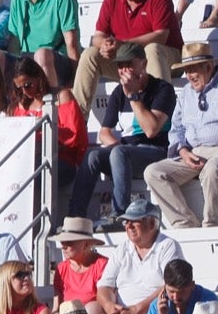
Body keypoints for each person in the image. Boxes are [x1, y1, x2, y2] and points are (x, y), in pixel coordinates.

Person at [144, 42, 218, 229]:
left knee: (214, 167)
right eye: (186, 70)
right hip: (196, 153)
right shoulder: (186, 93)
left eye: (193, 69)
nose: (189, 76)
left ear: (208, 67)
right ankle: (185, 224)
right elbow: (177, 127)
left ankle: (212, 225)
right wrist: (183, 150)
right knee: (154, 172)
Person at [69, 43, 175, 231]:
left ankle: (119, 214)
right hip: (127, 153)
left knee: (119, 153)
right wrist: (116, 150)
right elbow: (104, 132)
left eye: (128, 64)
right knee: (93, 156)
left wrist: (134, 96)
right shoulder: (119, 92)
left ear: (143, 63)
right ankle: (75, 218)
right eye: (119, 65)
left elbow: (151, 130)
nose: (123, 70)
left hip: (156, 151)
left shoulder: (162, 89)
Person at [70, 0, 183, 114]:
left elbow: (161, 36)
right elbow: (97, 37)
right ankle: (77, 121)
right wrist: (105, 45)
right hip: (127, 62)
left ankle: (160, 118)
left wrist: (122, 44)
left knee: (153, 49)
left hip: (167, 59)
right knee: (90, 54)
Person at [95, 198, 183, 314]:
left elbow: (170, 286)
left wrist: (136, 310)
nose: (128, 225)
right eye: (126, 221)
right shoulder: (122, 249)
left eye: (135, 220)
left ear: (152, 223)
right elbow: (104, 286)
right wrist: (110, 307)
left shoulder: (167, 246)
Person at [5, 0, 80, 91]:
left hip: (57, 60)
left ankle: (53, 104)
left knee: (42, 54)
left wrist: (76, 80)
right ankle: (0, 109)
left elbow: (72, 43)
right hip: (27, 61)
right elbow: (14, 43)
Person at [9, 57, 87, 183]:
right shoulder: (22, 105)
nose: (24, 92)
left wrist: (46, 127)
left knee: (24, 173)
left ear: (38, 77)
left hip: (62, 161)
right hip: (31, 160)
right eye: (19, 88)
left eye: (28, 85)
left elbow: (75, 136)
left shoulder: (61, 97)